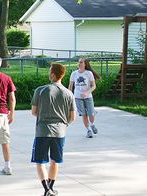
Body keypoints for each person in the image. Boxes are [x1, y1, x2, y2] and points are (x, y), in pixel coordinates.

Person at [31, 63, 76, 196]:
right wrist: (63, 124)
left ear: (52, 74)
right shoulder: (69, 93)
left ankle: (46, 189)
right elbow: (72, 117)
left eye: (49, 71)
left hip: (42, 131)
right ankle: (51, 188)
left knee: (40, 162)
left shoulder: (40, 90)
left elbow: (34, 112)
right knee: (55, 161)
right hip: (60, 132)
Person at [68, 57, 101, 138]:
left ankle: (92, 124)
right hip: (77, 97)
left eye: (81, 62)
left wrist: (87, 92)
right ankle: (88, 130)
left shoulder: (89, 73)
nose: (79, 64)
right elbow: (70, 86)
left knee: (91, 114)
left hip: (88, 97)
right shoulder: (74, 73)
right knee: (84, 114)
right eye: (79, 62)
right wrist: (69, 95)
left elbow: (94, 86)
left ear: (85, 64)